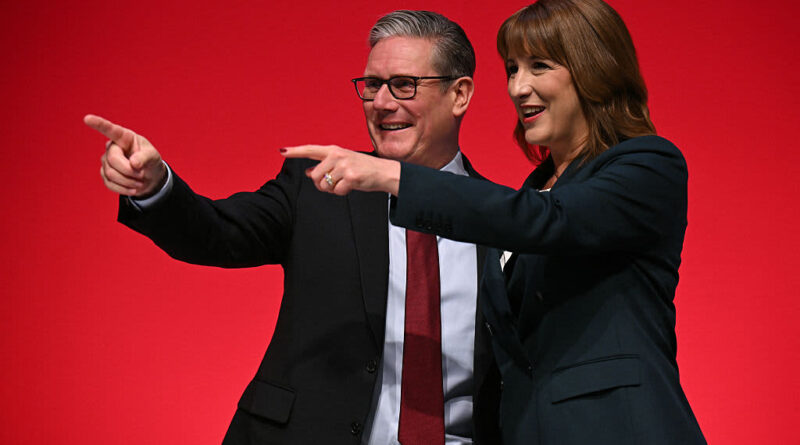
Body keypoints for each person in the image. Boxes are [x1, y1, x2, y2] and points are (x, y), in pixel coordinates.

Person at [282, 0, 707, 444]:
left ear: (594, 70)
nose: (518, 88)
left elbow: (550, 221)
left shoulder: (648, 165)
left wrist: (394, 176)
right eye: (512, 69)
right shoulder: (534, 192)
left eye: (539, 66)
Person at [85, 10, 501, 445]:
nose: (381, 102)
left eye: (403, 84)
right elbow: (216, 232)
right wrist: (155, 186)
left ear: (459, 94)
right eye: (372, 85)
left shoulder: (503, 219)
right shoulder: (318, 186)